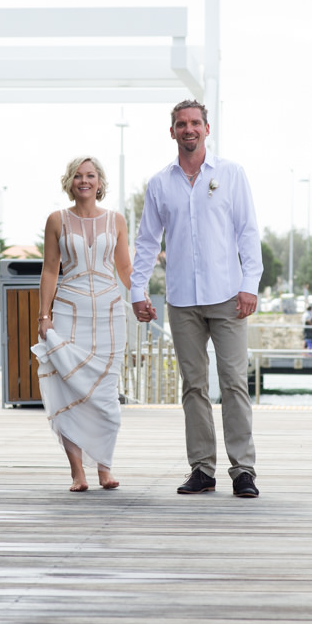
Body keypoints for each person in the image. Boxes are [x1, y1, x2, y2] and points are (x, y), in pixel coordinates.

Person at [130, 99, 263, 498]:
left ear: (207, 128)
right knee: (192, 386)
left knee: (235, 383)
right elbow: (147, 241)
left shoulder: (231, 174)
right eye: (181, 124)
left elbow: (247, 232)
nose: (188, 129)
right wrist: (137, 290)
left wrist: (250, 284)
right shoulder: (159, 183)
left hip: (228, 295)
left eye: (195, 123)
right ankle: (202, 469)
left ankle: (243, 471)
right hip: (182, 300)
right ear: (172, 131)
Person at [31, 156, 132, 492]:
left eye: (90, 175)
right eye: (78, 175)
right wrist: (43, 316)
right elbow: (50, 270)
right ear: (70, 182)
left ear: (100, 183)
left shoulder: (116, 220)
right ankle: (78, 472)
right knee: (66, 387)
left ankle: (105, 467)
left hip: (109, 313)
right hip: (69, 313)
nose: (84, 181)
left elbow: (125, 270)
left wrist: (143, 298)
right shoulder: (56, 220)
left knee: (105, 392)